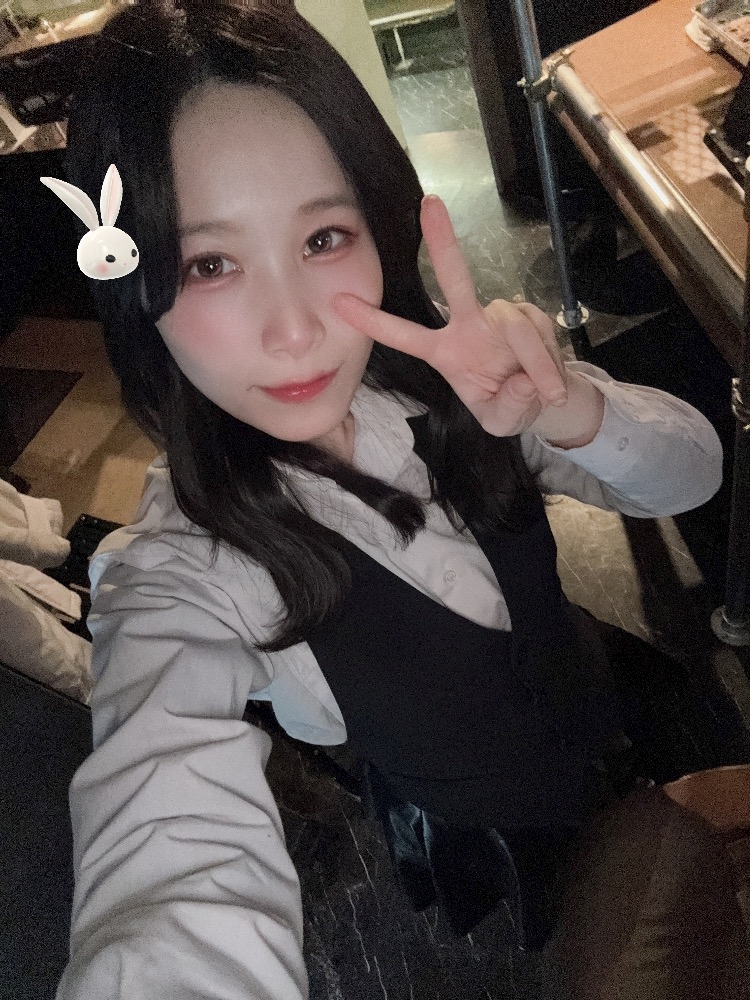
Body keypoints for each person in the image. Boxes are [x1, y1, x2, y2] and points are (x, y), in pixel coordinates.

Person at [54, 3, 725, 997]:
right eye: (209, 263)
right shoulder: (178, 571)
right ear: (131, 281)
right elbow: (166, 847)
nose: (294, 332)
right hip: (489, 844)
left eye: (324, 236)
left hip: (625, 714)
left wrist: (569, 405)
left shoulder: (456, 380)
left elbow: (697, 474)